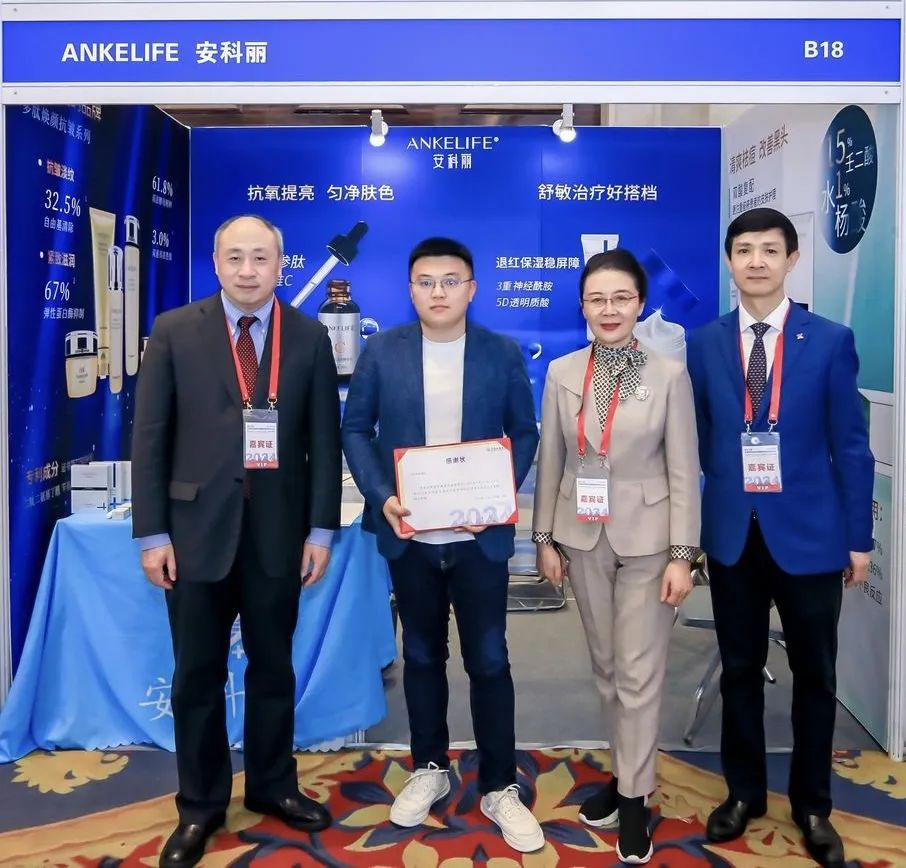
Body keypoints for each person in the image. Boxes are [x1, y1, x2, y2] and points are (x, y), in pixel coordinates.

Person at [132, 214, 342, 868]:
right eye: (235, 257)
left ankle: (274, 785)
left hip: (278, 535)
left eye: (260, 258)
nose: (248, 270)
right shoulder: (175, 331)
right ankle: (200, 806)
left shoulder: (308, 335)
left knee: (274, 667)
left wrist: (320, 528)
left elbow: (324, 440)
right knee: (197, 674)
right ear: (216, 262)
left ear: (281, 264)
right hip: (194, 535)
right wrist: (152, 533)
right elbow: (150, 437)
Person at [341, 237, 545, 854]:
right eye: (426, 282)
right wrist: (382, 496)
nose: (438, 292)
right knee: (423, 656)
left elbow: (525, 431)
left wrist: (498, 495)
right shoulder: (383, 351)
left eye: (451, 281)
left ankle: (500, 785)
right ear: (410, 290)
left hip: (479, 539)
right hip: (411, 535)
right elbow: (356, 429)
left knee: (490, 660)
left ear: (471, 289)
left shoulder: (500, 352)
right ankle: (429, 766)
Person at [686, 208, 874, 868]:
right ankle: (743, 794)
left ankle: (813, 805)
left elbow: (852, 446)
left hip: (812, 536)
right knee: (739, 670)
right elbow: (701, 437)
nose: (757, 261)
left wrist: (858, 538)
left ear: (792, 259)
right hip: (734, 535)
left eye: (770, 249)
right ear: (729, 262)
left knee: (815, 676)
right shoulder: (704, 342)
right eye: (744, 250)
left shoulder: (830, 340)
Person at [532, 249, 701, 865]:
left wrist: (684, 555)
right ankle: (626, 772)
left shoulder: (669, 375)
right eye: (597, 299)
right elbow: (552, 459)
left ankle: (634, 799)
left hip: (650, 541)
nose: (609, 310)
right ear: (582, 305)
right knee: (606, 669)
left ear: (640, 304)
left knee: (638, 672)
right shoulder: (562, 372)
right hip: (581, 537)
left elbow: (683, 468)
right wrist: (544, 537)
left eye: (621, 298)